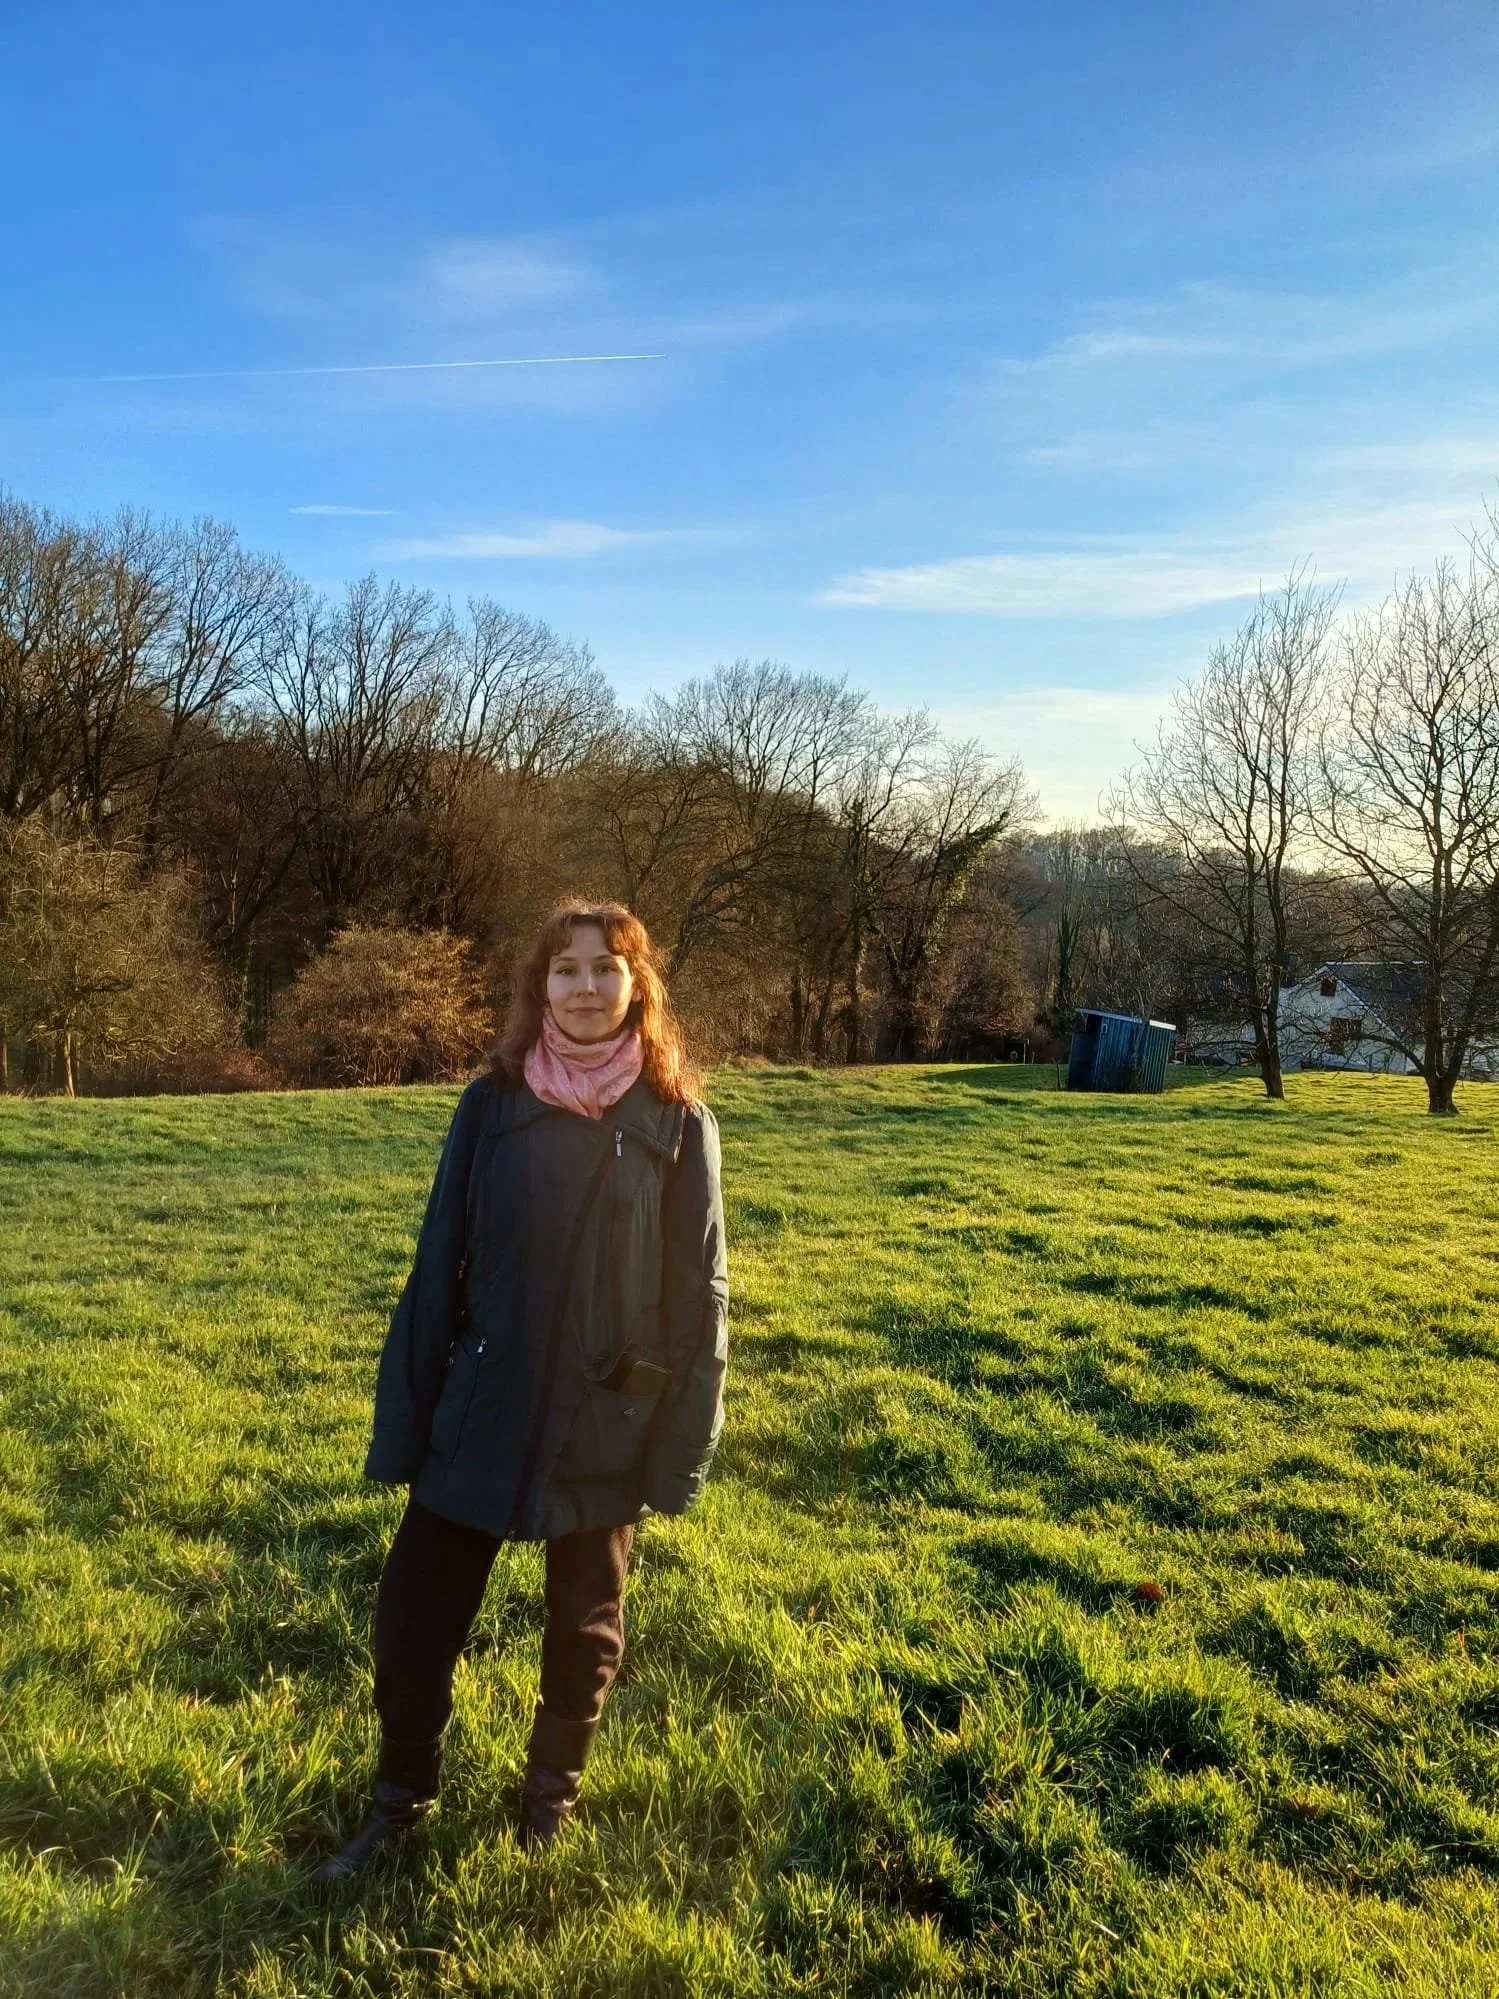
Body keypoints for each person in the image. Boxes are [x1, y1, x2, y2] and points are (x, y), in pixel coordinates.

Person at [313, 901, 729, 1883]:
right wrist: (406, 1425)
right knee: (412, 1619)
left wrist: (676, 1454)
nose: (584, 987)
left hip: (606, 1422)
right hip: (483, 1404)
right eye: (564, 969)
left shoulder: (675, 1120)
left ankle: (549, 1804)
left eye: (605, 968)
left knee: (583, 1630)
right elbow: (436, 1265)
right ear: (536, 986)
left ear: (638, 986)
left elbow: (699, 1297)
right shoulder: (489, 1104)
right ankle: (400, 1799)